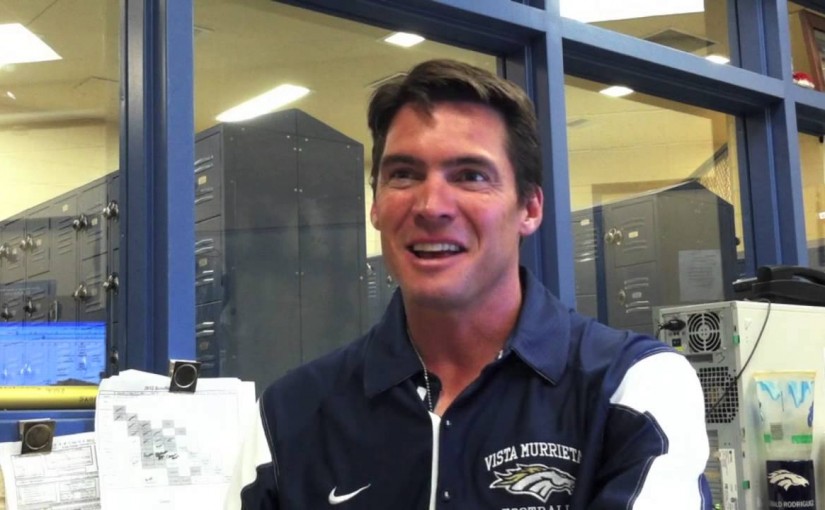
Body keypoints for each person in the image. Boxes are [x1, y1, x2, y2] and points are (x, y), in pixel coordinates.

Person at [226, 58, 712, 509]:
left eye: (471, 176)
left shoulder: (632, 390)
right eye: (403, 175)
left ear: (530, 208)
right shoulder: (289, 416)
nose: (431, 206)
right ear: (375, 206)